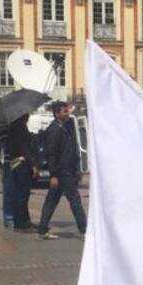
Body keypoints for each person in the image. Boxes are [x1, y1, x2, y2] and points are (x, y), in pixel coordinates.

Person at [37, 101, 88, 240]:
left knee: (52, 200)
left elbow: (72, 149)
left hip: (67, 170)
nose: (68, 113)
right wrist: (53, 175)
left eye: (67, 111)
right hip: (61, 172)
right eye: (65, 111)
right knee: (74, 200)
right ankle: (84, 230)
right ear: (57, 114)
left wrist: (77, 169)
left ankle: (42, 229)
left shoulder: (65, 127)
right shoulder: (55, 130)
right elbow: (52, 154)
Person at [4, 115, 35, 231]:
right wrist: (33, 164)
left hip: (14, 163)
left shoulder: (11, 128)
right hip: (22, 163)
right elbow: (24, 148)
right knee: (23, 194)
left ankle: (23, 221)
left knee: (18, 193)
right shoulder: (20, 128)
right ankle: (22, 223)